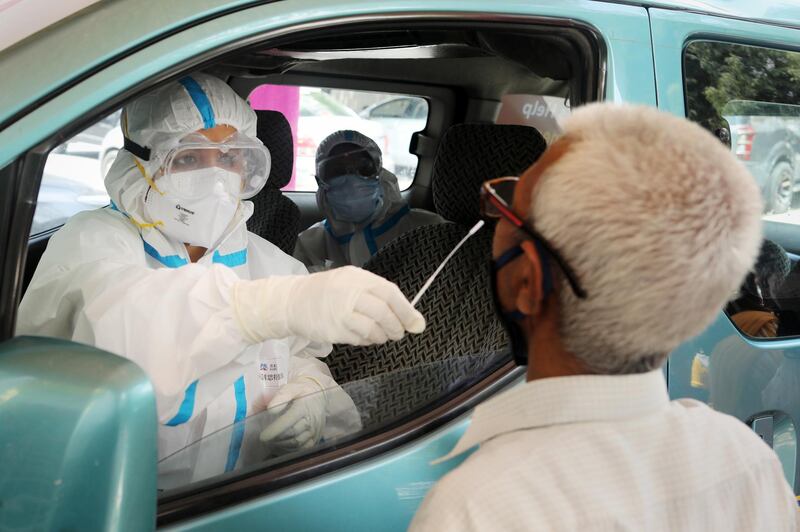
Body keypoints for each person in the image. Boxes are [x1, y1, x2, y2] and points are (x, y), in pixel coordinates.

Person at [410, 103, 799, 531]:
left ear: (527, 281)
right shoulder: (747, 461)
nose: (493, 210)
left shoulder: (478, 508)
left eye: (505, 201)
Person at [16, 74, 425, 472]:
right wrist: (254, 311)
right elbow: (122, 324)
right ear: (140, 162)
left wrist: (310, 389)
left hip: (240, 504)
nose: (215, 178)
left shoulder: (269, 262)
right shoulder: (92, 242)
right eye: (189, 157)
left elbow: (298, 352)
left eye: (229, 157)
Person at [294, 130, 444, 271]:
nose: (351, 179)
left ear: (380, 174)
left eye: (364, 168)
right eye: (337, 171)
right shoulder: (309, 245)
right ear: (320, 181)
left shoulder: (428, 229)